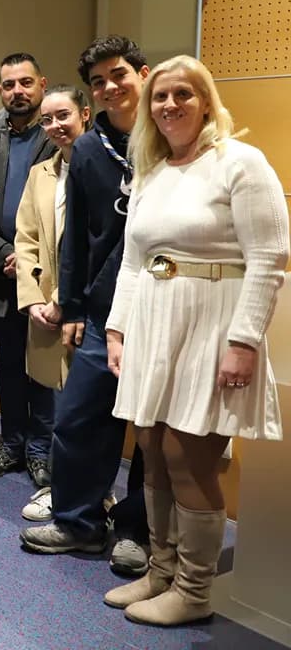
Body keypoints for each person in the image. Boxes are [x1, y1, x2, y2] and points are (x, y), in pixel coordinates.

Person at [102, 56, 287, 625]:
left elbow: (269, 258)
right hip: (156, 322)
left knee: (188, 457)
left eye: (183, 94)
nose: (170, 105)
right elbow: (134, 261)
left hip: (213, 322)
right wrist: (117, 329)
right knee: (152, 453)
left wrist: (245, 341)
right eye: (160, 97)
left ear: (206, 99)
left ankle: (194, 590)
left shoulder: (241, 162)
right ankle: (160, 573)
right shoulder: (153, 169)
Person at [20, 35, 152, 578]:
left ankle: (138, 530)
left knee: (151, 429)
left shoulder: (166, 141)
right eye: (98, 82)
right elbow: (74, 240)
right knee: (77, 418)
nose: (109, 88)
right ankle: (78, 522)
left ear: (142, 74)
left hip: (156, 308)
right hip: (100, 312)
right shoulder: (91, 152)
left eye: (118, 75)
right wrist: (73, 307)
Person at [0, 53, 57, 487]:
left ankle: (41, 450)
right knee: (9, 362)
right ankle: (14, 443)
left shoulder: (59, 130)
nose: (17, 91)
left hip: (46, 274)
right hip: (0, 270)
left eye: (25, 83)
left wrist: (30, 258)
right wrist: (3, 250)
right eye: (8, 85)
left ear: (41, 83)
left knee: (42, 363)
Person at [12, 85, 91, 520]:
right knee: (53, 405)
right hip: (43, 310)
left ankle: (89, 493)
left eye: (64, 116)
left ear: (85, 116)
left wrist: (64, 301)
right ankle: (60, 488)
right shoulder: (41, 172)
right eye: (47, 120)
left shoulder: (102, 169)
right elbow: (24, 239)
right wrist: (33, 300)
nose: (55, 126)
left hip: (82, 311)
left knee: (85, 409)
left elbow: (97, 245)